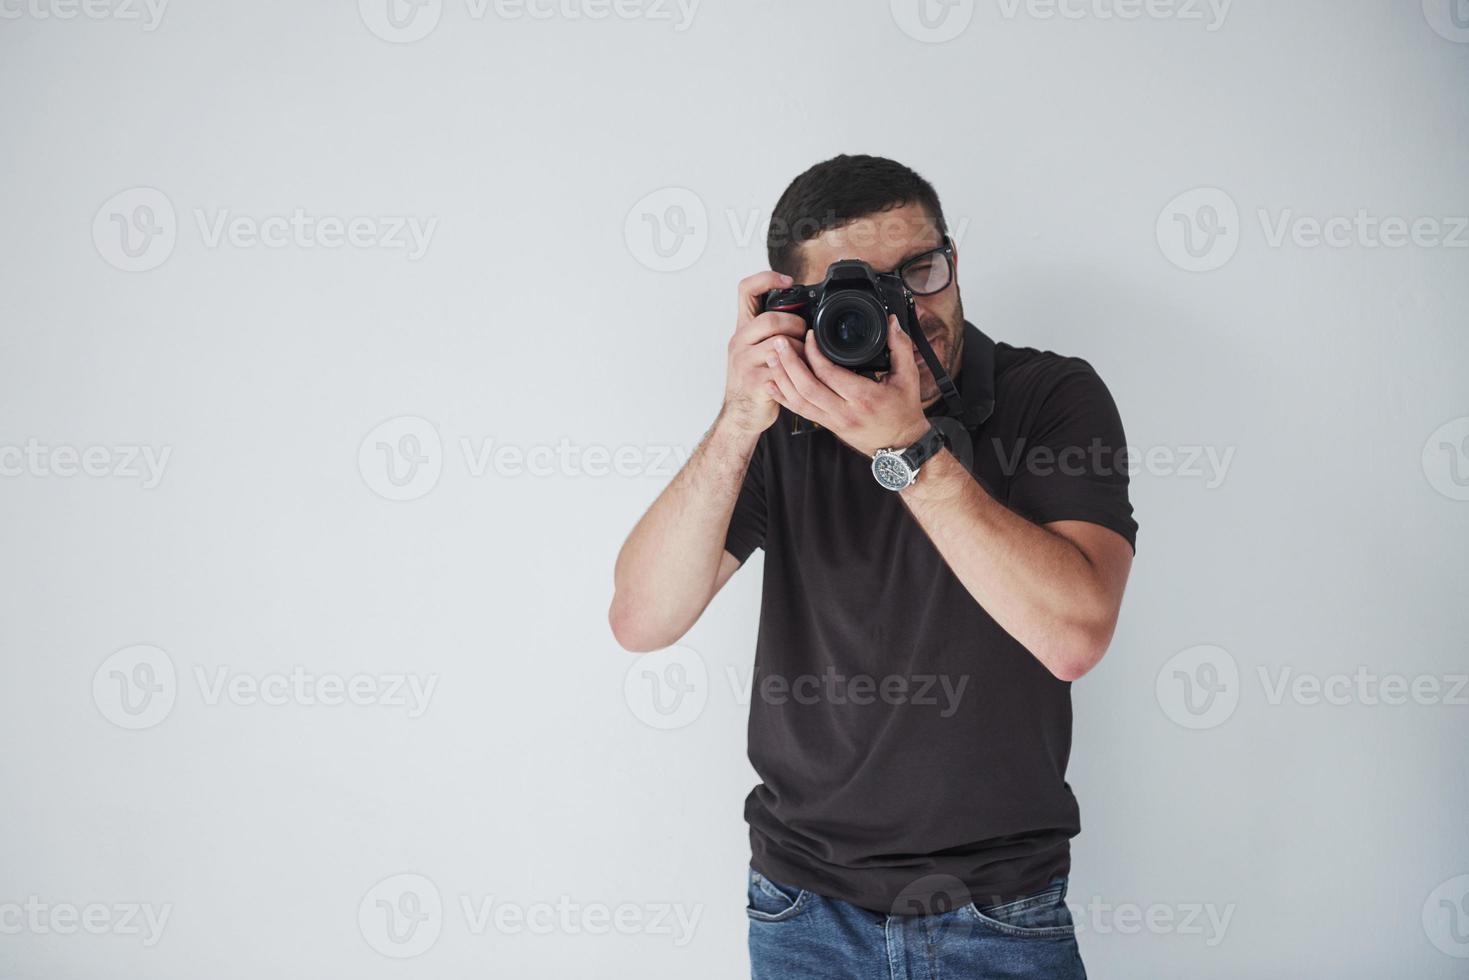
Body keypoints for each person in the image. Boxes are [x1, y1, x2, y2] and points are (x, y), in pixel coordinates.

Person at [610, 154, 1137, 979]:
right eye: (865, 290)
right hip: (803, 909)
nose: (906, 309)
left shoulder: (1051, 396)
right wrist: (736, 419)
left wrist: (907, 451)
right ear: (798, 307)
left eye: (922, 270)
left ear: (952, 258)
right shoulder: (779, 427)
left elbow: (1073, 634)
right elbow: (642, 619)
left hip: (999, 907)